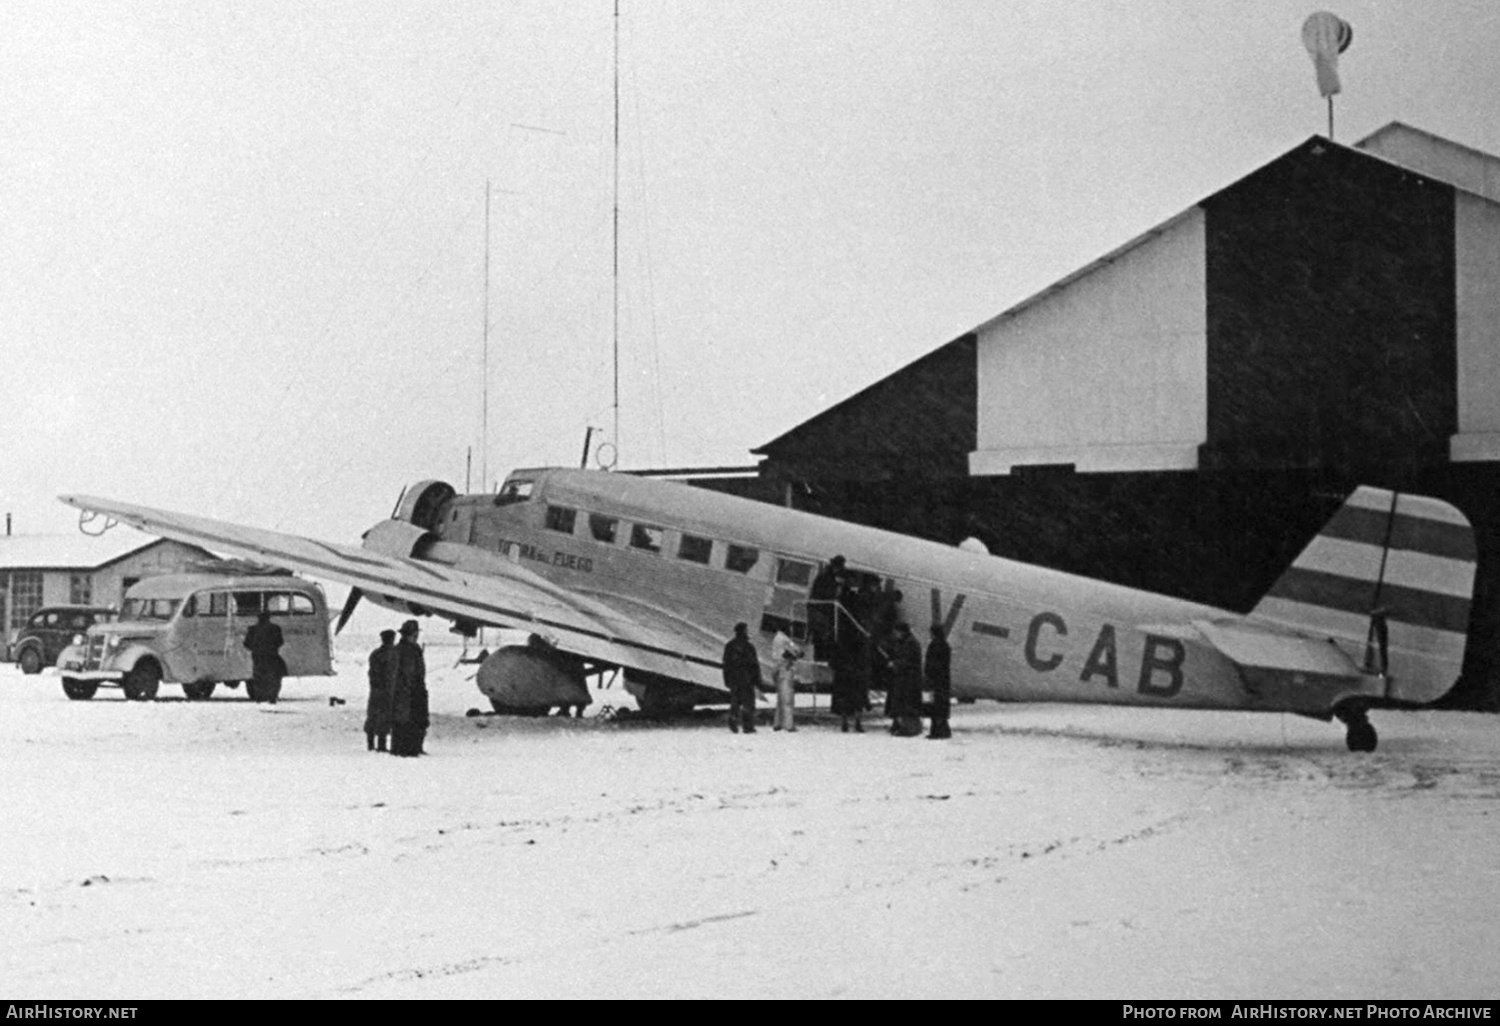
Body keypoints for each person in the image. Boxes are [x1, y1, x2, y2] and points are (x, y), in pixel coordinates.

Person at [390, 619, 429, 756]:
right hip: (406, 690)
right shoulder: (401, 650)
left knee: (419, 720)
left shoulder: (414, 649)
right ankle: (403, 749)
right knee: (404, 720)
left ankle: (415, 747)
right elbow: (400, 672)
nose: (416, 636)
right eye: (414, 633)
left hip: (415, 688)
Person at [721, 622, 761, 734]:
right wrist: (757, 680)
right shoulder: (749, 647)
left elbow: (726, 664)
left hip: (734, 678)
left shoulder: (729, 645)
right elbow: (754, 665)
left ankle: (733, 719)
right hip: (747, 678)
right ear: (744, 631)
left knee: (735, 701)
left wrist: (726, 679)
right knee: (748, 703)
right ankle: (747, 726)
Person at [887, 622, 924, 737]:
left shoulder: (911, 644)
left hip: (909, 678)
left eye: (897, 632)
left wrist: (895, 664)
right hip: (903, 677)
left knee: (907, 703)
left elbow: (910, 661)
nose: (895, 634)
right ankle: (900, 725)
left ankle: (909, 728)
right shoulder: (906, 642)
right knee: (901, 703)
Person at [242, 609, 286, 704]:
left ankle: (259, 697)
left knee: (259, 677)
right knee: (274, 677)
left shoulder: (253, 629)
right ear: (269, 618)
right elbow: (280, 642)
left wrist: (255, 649)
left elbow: (246, 644)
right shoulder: (275, 628)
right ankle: (272, 697)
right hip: (272, 656)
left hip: (258, 656)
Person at [364, 629, 398, 751]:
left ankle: (370, 744)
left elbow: (371, 672)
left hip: (376, 690)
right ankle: (381, 745)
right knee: (384, 717)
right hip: (387, 690)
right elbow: (392, 673)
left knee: (372, 716)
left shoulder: (375, 654)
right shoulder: (393, 654)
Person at [808, 555, 846, 659]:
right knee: (821, 641)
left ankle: (819, 659)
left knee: (820, 641)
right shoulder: (828, 578)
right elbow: (828, 595)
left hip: (818, 612)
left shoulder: (824, 575)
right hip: (821, 613)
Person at [770, 630, 803, 732]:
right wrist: (796, 653)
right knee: (788, 699)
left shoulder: (777, 639)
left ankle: (777, 723)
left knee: (780, 699)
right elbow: (797, 651)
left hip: (778, 671)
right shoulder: (784, 640)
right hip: (785, 673)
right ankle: (789, 725)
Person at [925, 624, 952, 740]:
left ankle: (937, 730)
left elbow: (933, 664)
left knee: (935, 706)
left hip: (936, 681)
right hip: (943, 681)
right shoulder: (945, 645)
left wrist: (929, 675)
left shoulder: (935, 646)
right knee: (940, 706)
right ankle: (942, 729)